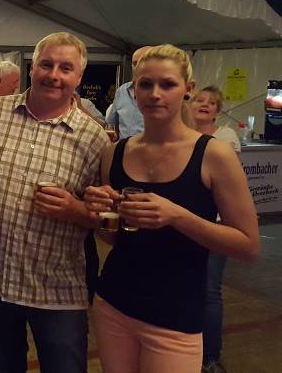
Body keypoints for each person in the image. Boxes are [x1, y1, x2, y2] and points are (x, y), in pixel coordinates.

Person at [84, 45, 259, 373]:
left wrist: (176, 215)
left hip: (176, 315)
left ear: (187, 89)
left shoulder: (214, 154)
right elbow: (115, 238)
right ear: (133, 91)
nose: (155, 94)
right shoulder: (115, 153)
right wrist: (98, 214)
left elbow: (248, 245)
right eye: (145, 84)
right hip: (114, 303)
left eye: (167, 84)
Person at [0, 32, 110, 373]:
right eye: (46, 65)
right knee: (3, 365)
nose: (54, 75)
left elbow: (101, 217)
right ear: (32, 68)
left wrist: (75, 209)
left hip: (57, 287)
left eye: (66, 68)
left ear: (79, 77)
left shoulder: (94, 138)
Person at [191, 86, 241, 373]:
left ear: (218, 111)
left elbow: (228, 183)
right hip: (185, 221)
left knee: (209, 288)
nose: (205, 105)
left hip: (216, 222)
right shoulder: (182, 134)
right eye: (200, 100)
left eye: (211, 102)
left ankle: (210, 357)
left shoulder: (226, 137)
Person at [105, 46, 152, 139]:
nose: (137, 68)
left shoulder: (161, 95)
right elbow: (112, 125)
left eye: (142, 63)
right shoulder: (122, 91)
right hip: (124, 147)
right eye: (134, 63)